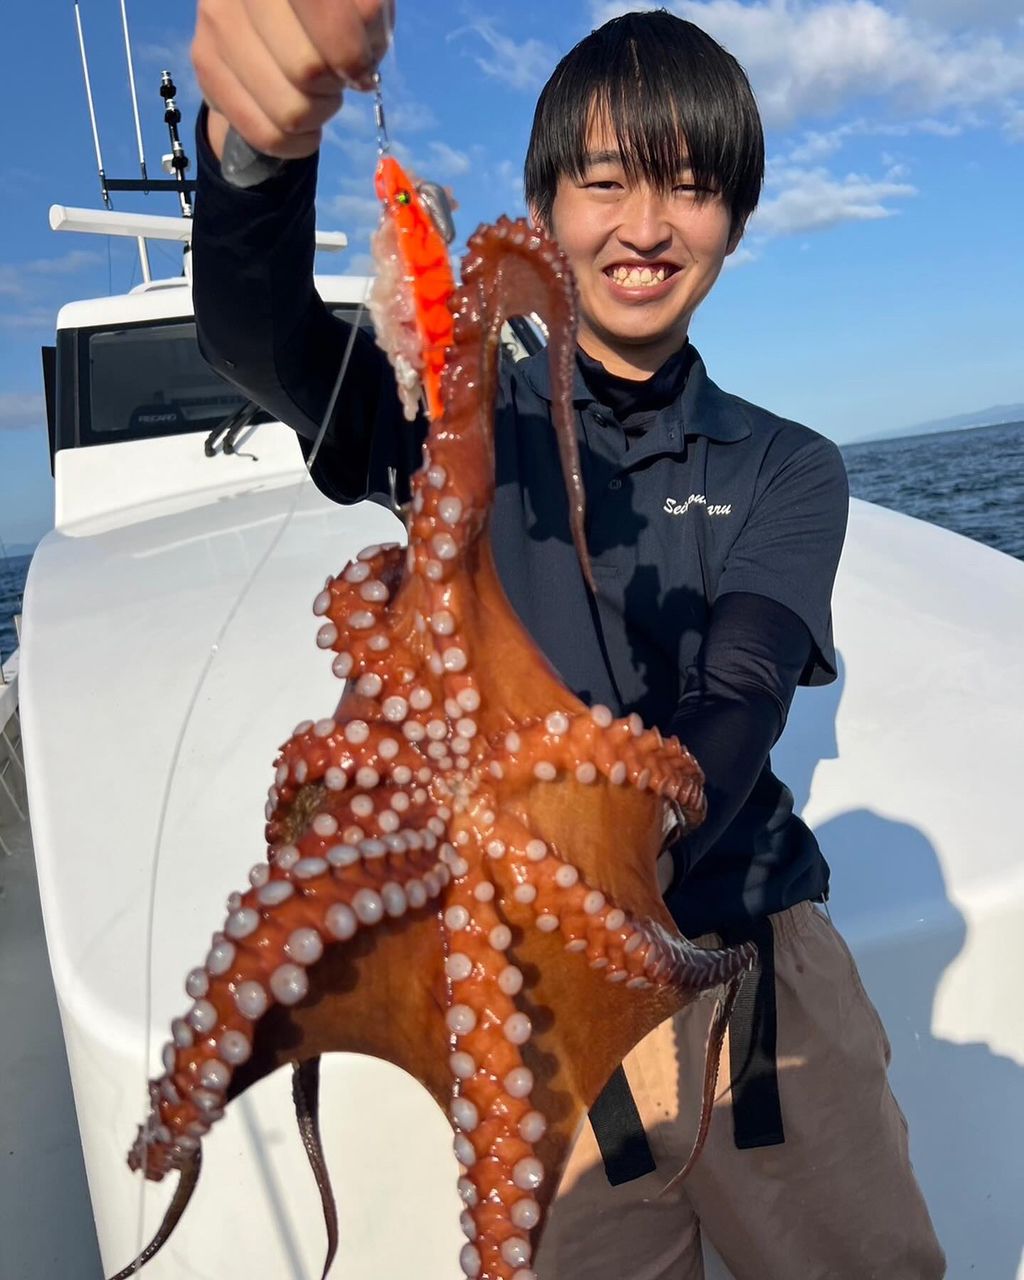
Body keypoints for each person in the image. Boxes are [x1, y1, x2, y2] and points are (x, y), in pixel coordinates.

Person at [190, 3, 945, 1276]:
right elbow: (253, 333)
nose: (644, 228)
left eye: (691, 190)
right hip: (549, 1013)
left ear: (735, 221)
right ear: (545, 203)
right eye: (603, 182)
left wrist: (608, 885)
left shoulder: (785, 465)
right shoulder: (456, 421)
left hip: (756, 971)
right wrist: (256, 154)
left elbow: (742, 692)